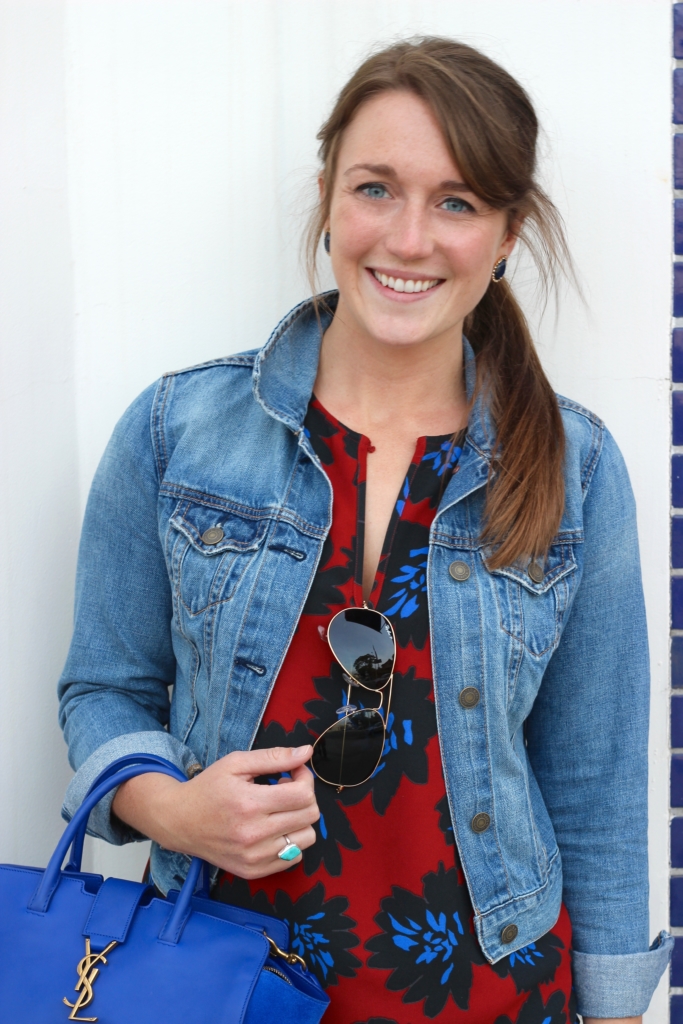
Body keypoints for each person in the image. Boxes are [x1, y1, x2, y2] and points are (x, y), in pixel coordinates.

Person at [58, 37, 672, 1024]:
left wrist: (612, 1012)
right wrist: (167, 806)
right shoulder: (178, 433)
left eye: (457, 201)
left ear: (507, 230)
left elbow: (595, 789)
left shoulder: (574, 470)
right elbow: (104, 687)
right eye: (376, 188)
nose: (409, 237)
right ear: (327, 194)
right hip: (221, 980)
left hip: (488, 994)